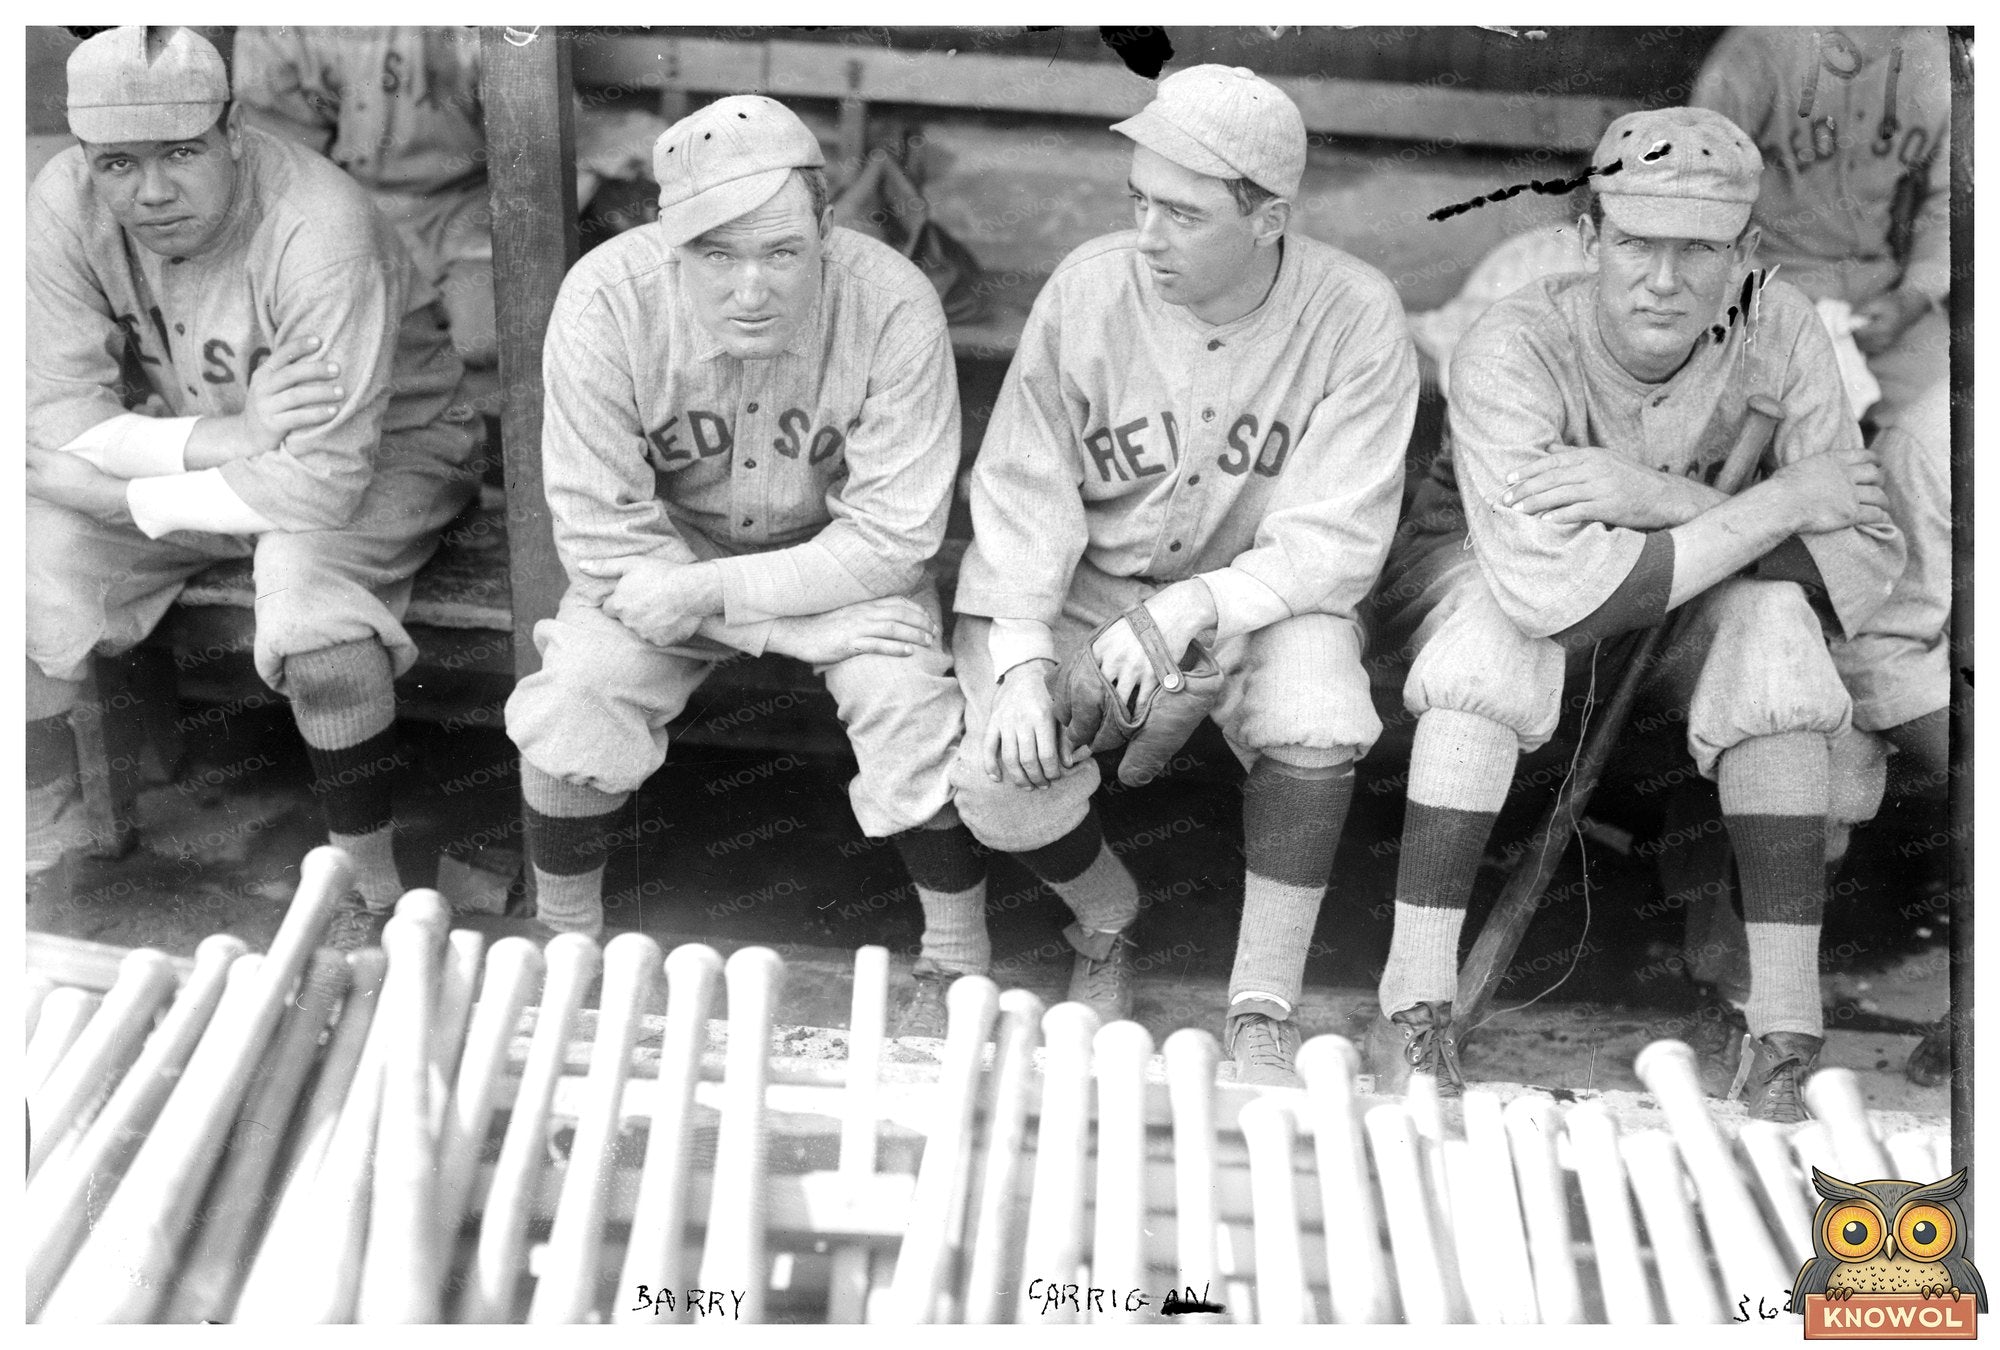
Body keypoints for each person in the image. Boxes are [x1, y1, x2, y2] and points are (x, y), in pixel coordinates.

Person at [1365, 106, 1901, 1121]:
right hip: (1475, 602)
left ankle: (1780, 1026)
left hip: (1673, 637)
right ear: (1586, 240)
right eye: (1634, 244)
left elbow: (1861, 574)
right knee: (1493, 637)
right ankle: (1412, 1002)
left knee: (1778, 629)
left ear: (1742, 252)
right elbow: (1550, 595)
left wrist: (1660, 498)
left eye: (1695, 250)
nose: (1661, 280)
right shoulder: (1512, 340)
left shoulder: (1779, 327)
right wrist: (1781, 506)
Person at [944, 65, 1417, 1085]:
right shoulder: (1090, 285)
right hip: (1091, 586)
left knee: (1321, 708)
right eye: (1139, 201)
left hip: (1262, 596)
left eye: (1183, 213)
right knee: (997, 777)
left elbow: (1332, 540)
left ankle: (1261, 999)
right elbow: (1023, 489)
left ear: (1268, 217)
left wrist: (1200, 604)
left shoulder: (1355, 315)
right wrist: (1023, 658)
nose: (1147, 234)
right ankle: (1107, 918)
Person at [27, 25, 481, 943]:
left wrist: (129, 499)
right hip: (201, 440)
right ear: (86, 154)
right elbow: (52, 423)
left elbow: (316, 485)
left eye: (182, 152)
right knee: (23, 556)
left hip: (381, 450)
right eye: (118, 162)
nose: (151, 191)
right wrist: (228, 435)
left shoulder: (321, 225)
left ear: (234, 129)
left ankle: (370, 887)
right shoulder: (63, 202)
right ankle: (39, 832)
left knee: (312, 615)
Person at [503, 96, 983, 951]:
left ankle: (955, 953)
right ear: (668, 234)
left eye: (782, 252)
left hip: (838, 564)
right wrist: (788, 633)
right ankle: (563, 934)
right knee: (579, 691)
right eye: (715, 254)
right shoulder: (606, 300)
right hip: (666, 561)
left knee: (905, 699)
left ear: (826, 226)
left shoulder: (895, 303)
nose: (750, 289)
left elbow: (893, 536)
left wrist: (728, 596)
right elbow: (602, 541)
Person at [232, 26, 497, 402]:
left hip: (473, 204)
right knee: (342, 345)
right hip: (350, 204)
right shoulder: (279, 26)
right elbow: (284, 166)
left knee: (481, 340)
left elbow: (545, 150)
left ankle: (482, 449)